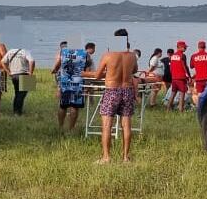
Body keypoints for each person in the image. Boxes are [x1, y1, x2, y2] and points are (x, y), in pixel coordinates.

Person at [84, 29, 140, 163]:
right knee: (126, 125)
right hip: (127, 90)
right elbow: (135, 70)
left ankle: (106, 157)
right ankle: (126, 157)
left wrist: (82, 73)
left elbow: (97, 75)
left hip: (112, 91)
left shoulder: (108, 55)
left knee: (107, 125)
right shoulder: (132, 55)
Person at [51, 45, 87, 132]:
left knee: (63, 106)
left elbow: (57, 65)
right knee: (74, 107)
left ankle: (60, 127)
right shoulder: (84, 53)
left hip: (65, 83)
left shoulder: (63, 52)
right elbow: (87, 68)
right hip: (77, 83)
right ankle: (71, 129)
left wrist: (54, 70)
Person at [2, 44, 35, 116]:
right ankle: (18, 112)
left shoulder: (10, 51)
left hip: (14, 75)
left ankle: (15, 111)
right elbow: (32, 61)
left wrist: (8, 72)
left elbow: (3, 62)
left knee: (17, 93)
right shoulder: (25, 51)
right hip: (24, 73)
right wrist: (31, 73)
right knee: (22, 94)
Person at [189, 40, 207, 107]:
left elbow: (191, 66)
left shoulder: (194, 56)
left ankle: (200, 107)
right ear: (205, 47)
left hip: (199, 79)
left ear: (198, 47)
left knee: (200, 94)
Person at [167, 41, 191, 112]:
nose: (186, 48)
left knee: (173, 93)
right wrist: (189, 76)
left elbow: (171, 68)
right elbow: (185, 67)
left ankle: (168, 109)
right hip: (181, 77)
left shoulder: (172, 56)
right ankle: (181, 110)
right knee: (182, 94)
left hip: (174, 78)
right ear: (179, 47)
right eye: (184, 47)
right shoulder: (182, 55)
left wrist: (173, 75)